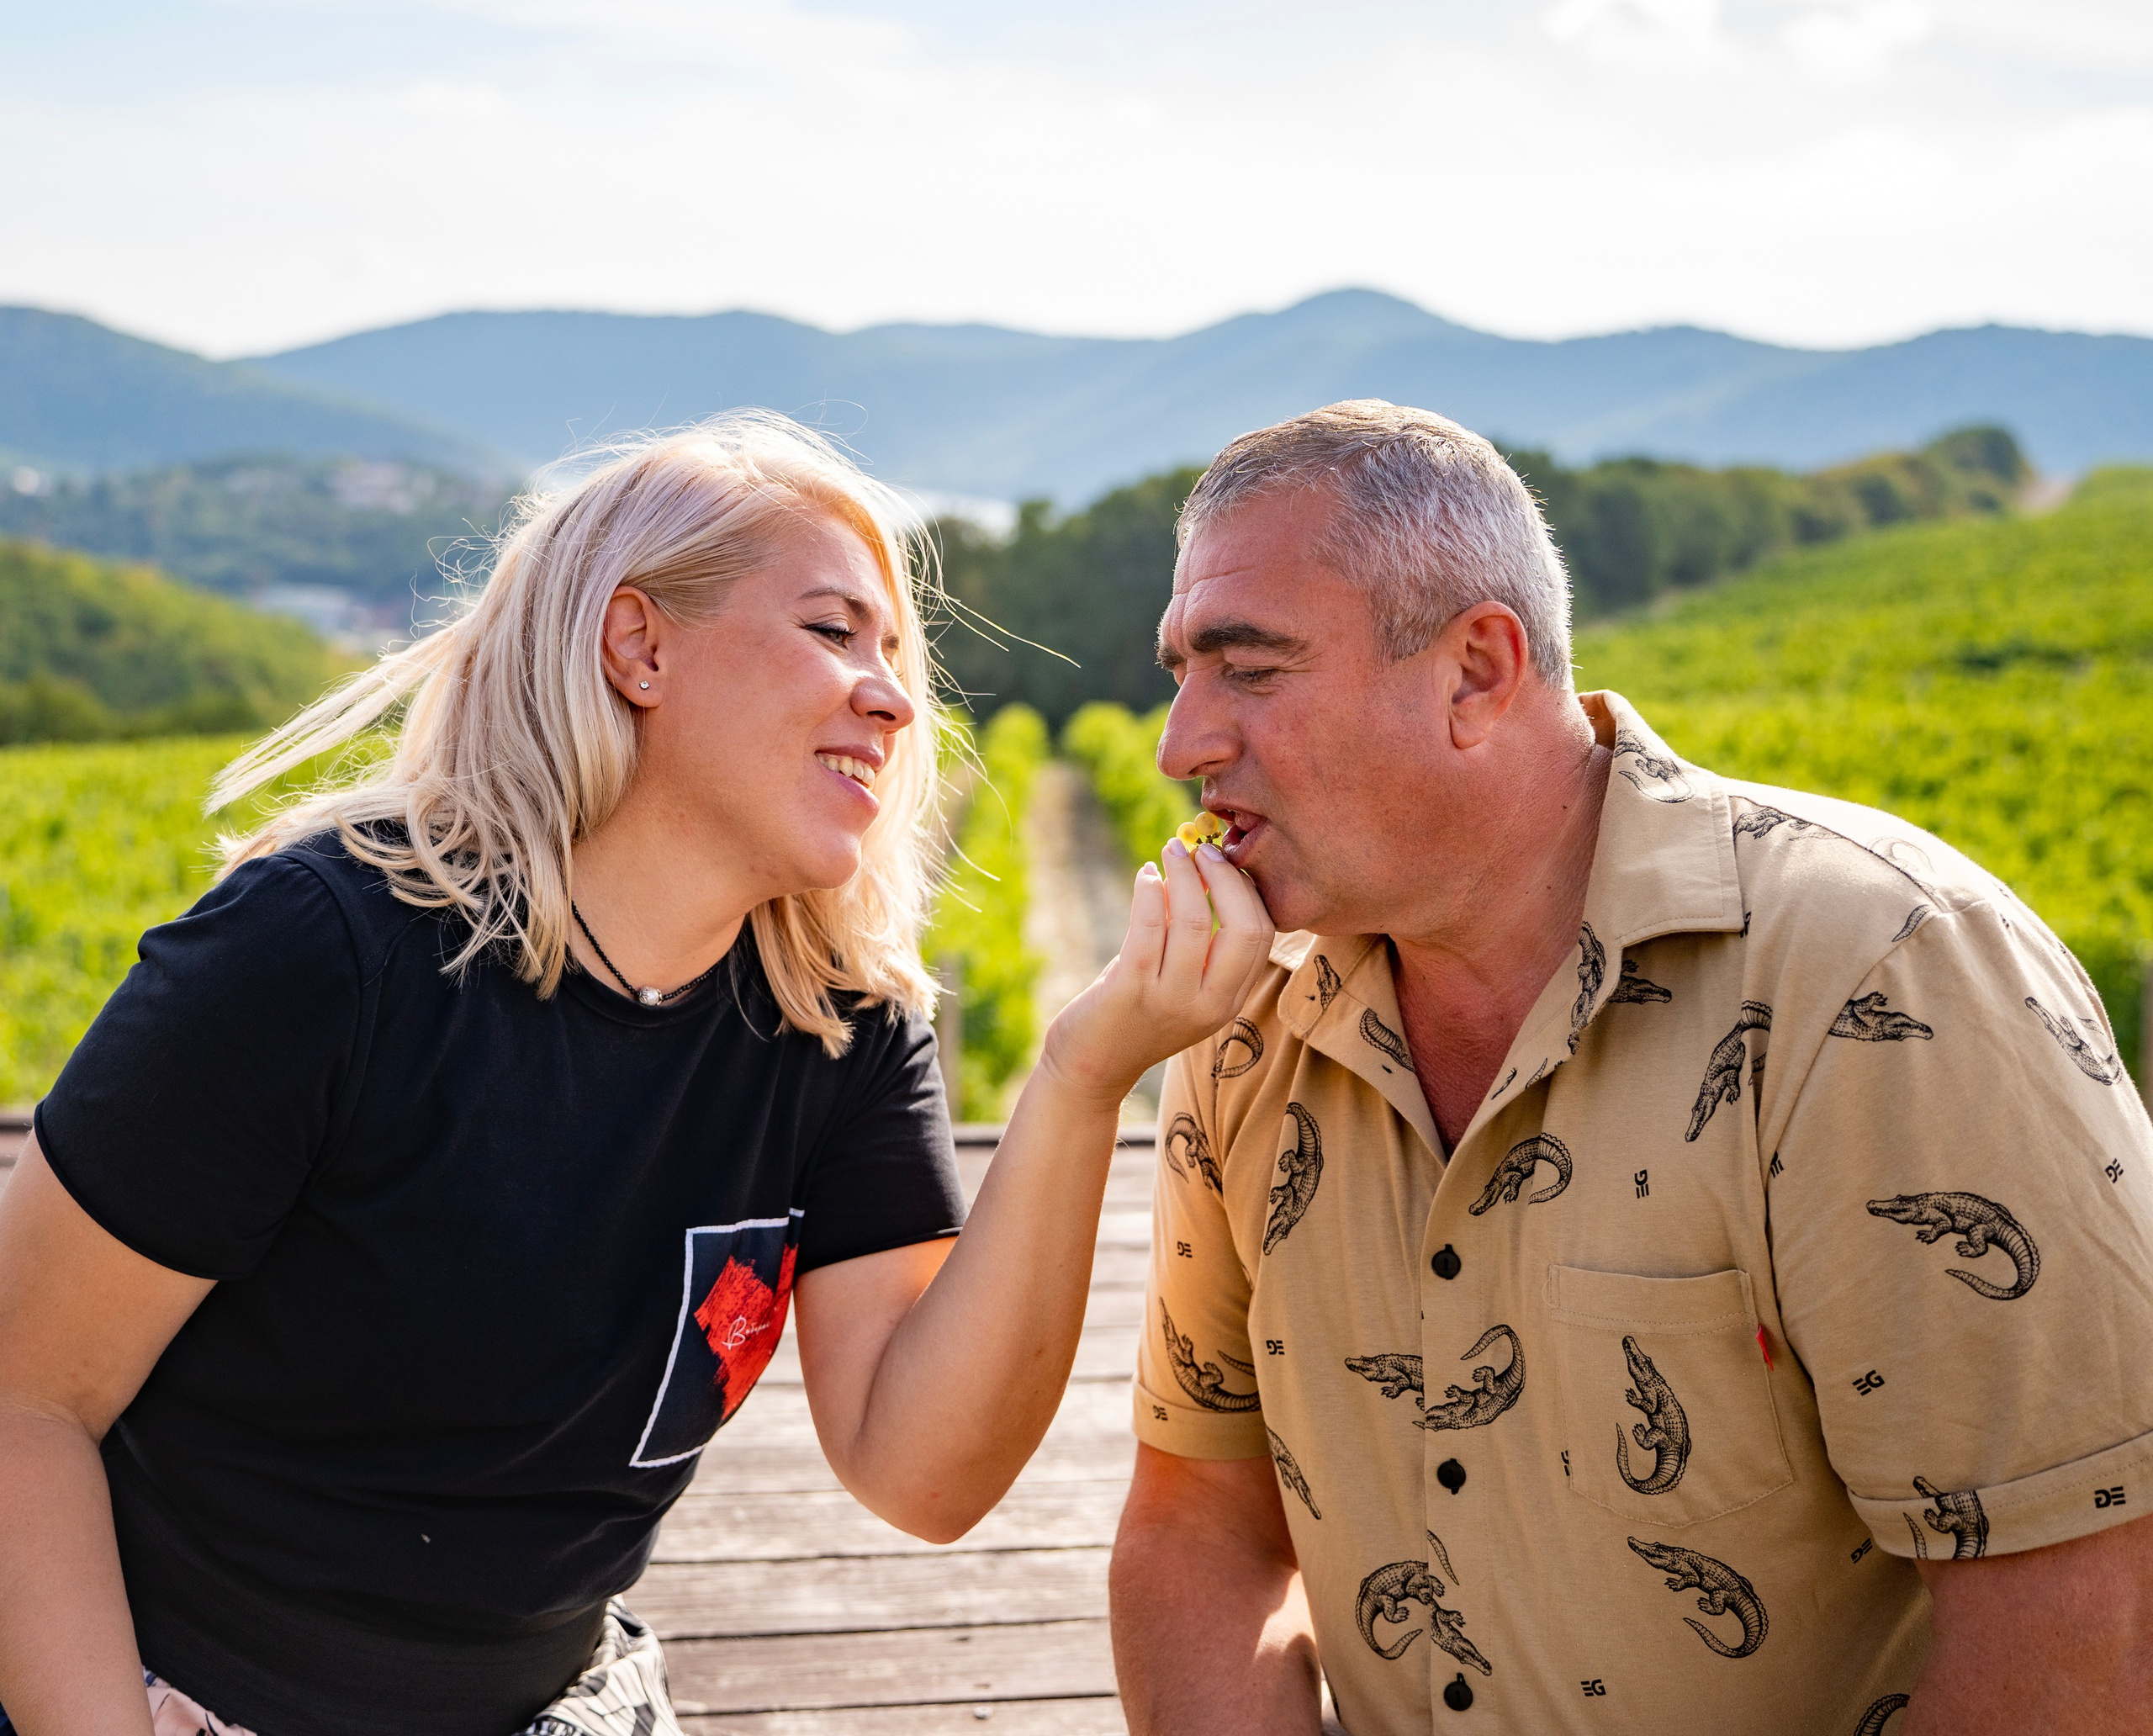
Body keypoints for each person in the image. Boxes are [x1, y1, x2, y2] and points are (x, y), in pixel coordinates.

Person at [0, 413, 1272, 1736]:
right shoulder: (320, 957)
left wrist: (1076, 1079)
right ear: (639, 645)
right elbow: (24, 1401)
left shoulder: (829, 1021)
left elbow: (924, 1474)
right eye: (834, 632)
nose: (895, 696)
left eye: (897, 654)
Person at [1108, 400, 2153, 1735]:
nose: (1181, 742)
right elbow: (1202, 1528)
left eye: (1249, 670)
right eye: (1181, 673)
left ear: (1478, 671)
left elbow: (2086, 1631)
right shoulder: (1246, 1024)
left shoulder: (1883, 977)